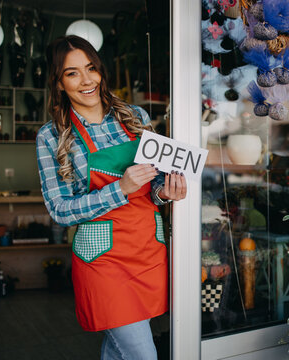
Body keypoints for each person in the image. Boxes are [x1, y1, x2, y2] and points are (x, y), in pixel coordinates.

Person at [36, 35, 186, 360]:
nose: (87, 80)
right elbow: (60, 210)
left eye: (91, 68)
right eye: (72, 73)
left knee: (120, 351)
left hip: (147, 248)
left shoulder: (135, 117)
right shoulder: (50, 136)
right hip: (103, 261)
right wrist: (119, 190)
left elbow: (156, 182)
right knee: (143, 354)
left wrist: (165, 191)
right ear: (59, 83)